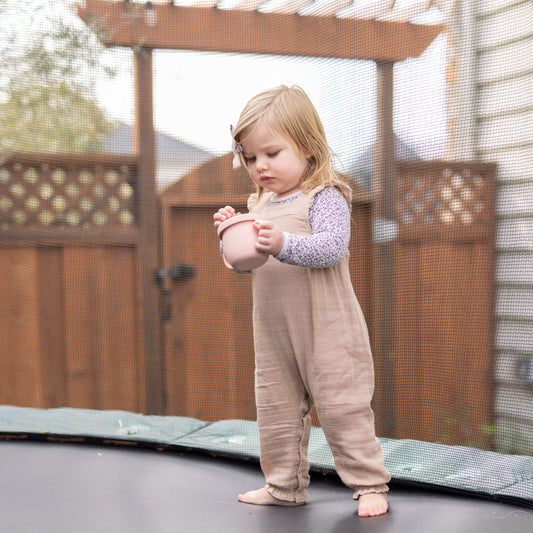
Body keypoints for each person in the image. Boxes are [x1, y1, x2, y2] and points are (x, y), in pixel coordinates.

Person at [213, 85, 390, 518]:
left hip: (328, 329)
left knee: (342, 405)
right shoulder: (259, 204)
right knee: (275, 408)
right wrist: (229, 237)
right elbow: (246, 266)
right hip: (274, 334)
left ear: (308, 148)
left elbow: (330, 248)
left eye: (272, 153)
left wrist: (283, 243)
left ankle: (369, 484)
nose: (260, 166)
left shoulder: (325, 195)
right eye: (251, 158)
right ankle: (283, 485)